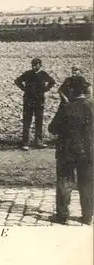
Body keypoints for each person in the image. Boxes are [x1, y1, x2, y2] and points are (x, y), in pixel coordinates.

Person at [48, 86, 93, 225]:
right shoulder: (92, 106)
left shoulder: (66, 108)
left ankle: (62, 215)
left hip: (66, 151)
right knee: (87, 182)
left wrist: (63, 106)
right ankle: (87, 216)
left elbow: (52, 129)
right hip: (88, 151)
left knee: (64, 181)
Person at [14, 58, 56, 150]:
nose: (33, 67)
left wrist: (44, 90)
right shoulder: (28, 73)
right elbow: (17, 81)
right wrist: (24, 89)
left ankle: (39, 142)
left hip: (39, 101)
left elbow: (52, 82)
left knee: (39, 121)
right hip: (28, 100)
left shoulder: (43, 74)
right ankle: (25, 143)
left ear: (40, 65)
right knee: (27, 121)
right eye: (32, 65)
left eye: (35, 65)